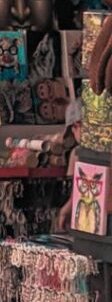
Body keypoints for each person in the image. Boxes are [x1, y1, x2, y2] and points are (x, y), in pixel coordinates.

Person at [56, 98, 84, 231]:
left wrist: (64, 211)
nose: (74, 132)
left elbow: (79, 192)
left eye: (74, 127)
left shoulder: (78, 153)